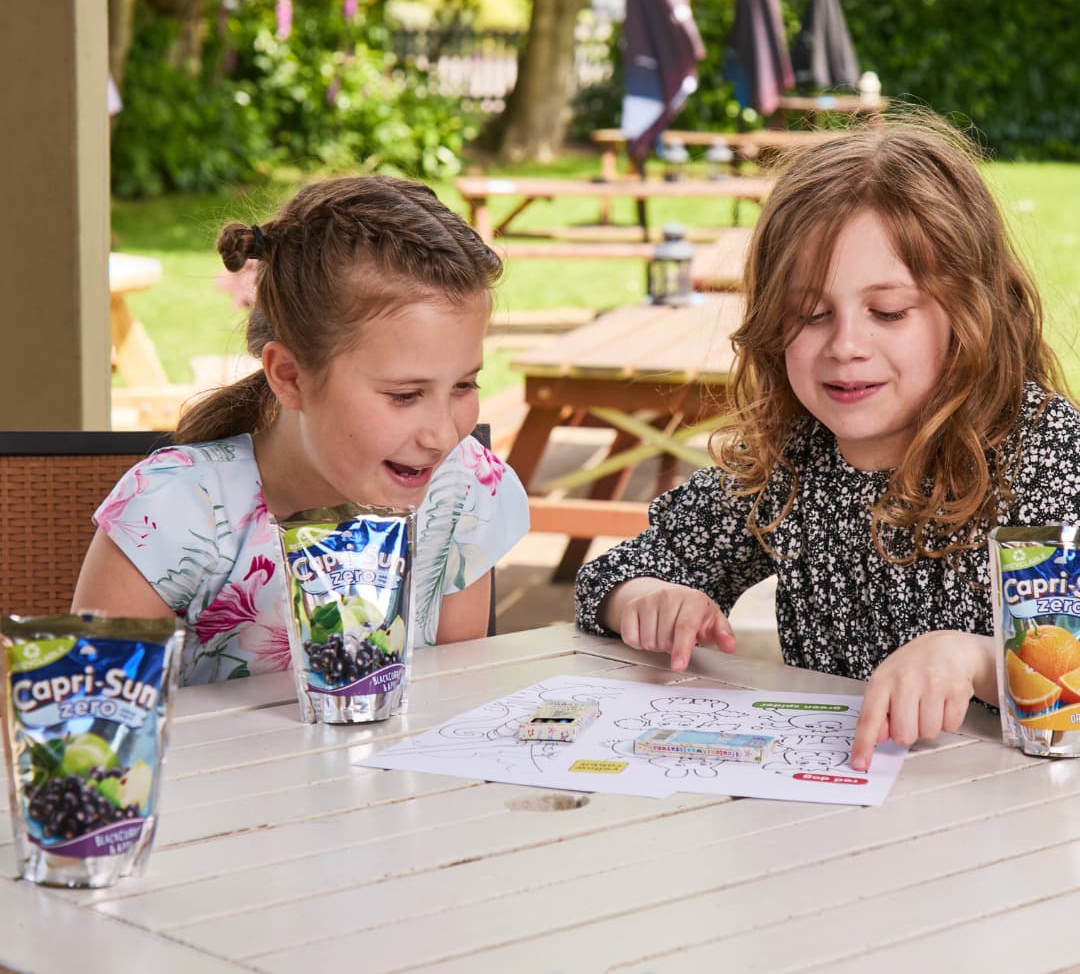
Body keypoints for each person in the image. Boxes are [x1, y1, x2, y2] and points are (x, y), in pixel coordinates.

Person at [575, 111, 1080, 771]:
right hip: (835, 825)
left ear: (968, 311)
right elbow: (605, 578)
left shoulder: (1043, 453)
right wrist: (648, 600)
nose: (845, 346)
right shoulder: (790, 462)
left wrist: (977, 660)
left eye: (888, 312)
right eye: (811, 314)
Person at [74, 175, 529, 684]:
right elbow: (97, 733)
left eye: (464, 385)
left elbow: (453, 704)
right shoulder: (174, 515)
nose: (443, 435)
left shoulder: (463, 491)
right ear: (290, 377)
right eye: (404, 395)